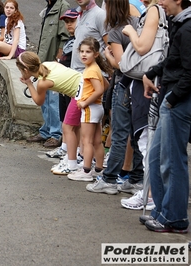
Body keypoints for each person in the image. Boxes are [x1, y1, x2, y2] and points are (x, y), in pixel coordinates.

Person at [87, 0, 148, 209]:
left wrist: (108, 57)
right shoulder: (137, 22)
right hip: (141, 86)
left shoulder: (115, 30)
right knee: (138, 133)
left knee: (120, 133)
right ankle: (135, 178)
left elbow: (122, 65)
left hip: (124, 84)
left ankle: (109, 179)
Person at [139, 0, 191, 233]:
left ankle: (175, 218)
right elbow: (174, 59)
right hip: (172, 98)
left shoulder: (187, 27)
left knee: (172, 160)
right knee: (156, 157)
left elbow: (189, 71)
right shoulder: (178, 23)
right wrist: (152, 72)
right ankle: (163, 211)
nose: (160, 2)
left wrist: (172, 98)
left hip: (177, 101)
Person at [66, 37, 112, 181]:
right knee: (97, 140)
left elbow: (99, 90)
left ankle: (86, 171)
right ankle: (98, 168)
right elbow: (105, 85)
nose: (84, 55)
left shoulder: (91, 71)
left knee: (87, 140)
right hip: (97, 108)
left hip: (90, 108)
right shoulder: (94, 69)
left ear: (96, 54)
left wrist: (85, 102)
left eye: (88, 52)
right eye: (82, 51)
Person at [26, 0, 70, 149]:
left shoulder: (62, 6)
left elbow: (64, 37)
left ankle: (55, 134)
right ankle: (46, 130)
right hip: (43, 63)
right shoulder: (49, 7)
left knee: (53, 101)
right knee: (45, 101)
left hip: (53, 62)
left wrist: (59, 60)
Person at [47, 8, 79, 161]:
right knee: (64, 116)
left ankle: (74, 152)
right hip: (63, 83)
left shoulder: (80, 40)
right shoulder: (69, 41)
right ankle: (64, 147)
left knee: (71, 122)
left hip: (72, 83)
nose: (68, 25)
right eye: (66, 22)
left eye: (72, 21)